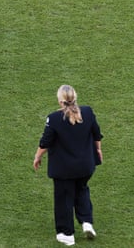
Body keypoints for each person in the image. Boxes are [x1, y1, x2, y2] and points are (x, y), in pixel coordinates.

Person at [33, 85, 103, 246]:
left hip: (64, 168)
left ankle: (66, 233)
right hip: (86, 165)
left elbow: (45, 142)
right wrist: (98, 150)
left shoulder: (54, 118)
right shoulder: (87, 112)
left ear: (60, 100)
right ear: (75, 98)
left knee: (64, 198)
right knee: (82, 190)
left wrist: (37, 157)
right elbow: (96, 134)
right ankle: (86, 222)